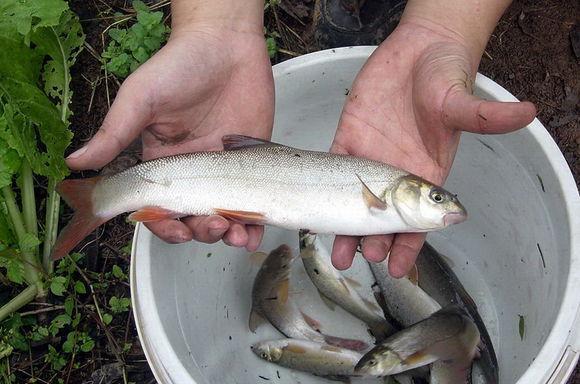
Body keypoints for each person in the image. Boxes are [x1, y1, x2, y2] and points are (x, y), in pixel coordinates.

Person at [65, 0, 536, 278]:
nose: (446, 207)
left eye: (438, 198)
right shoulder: (384, 191)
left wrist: (446, 26)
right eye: (436, 198)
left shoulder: (386, 191)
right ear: (406, 190)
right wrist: (217, 25)